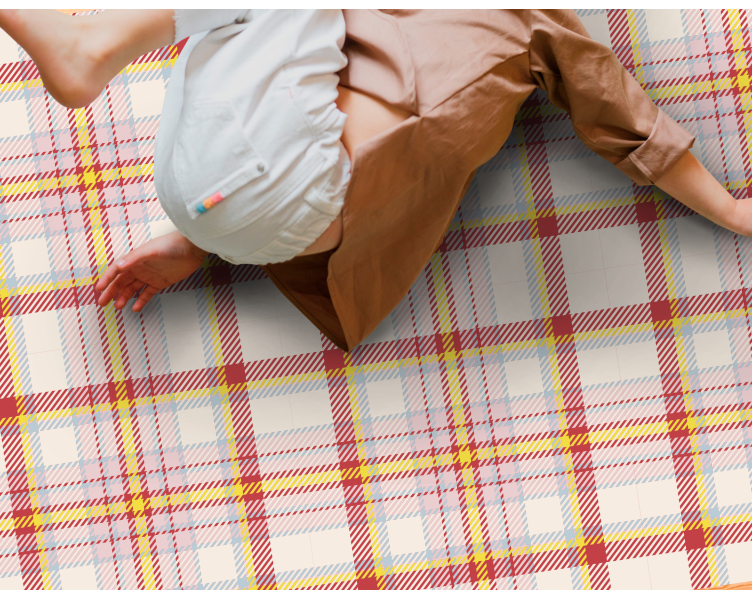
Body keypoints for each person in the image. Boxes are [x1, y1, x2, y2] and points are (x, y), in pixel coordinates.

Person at [1, 9, 750, 352]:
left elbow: (629, 122)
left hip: (272, 193)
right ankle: (101, 50)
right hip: (231, 195)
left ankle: (95, 43)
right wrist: (198, 240)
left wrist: (728, 209)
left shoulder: (532, 23)